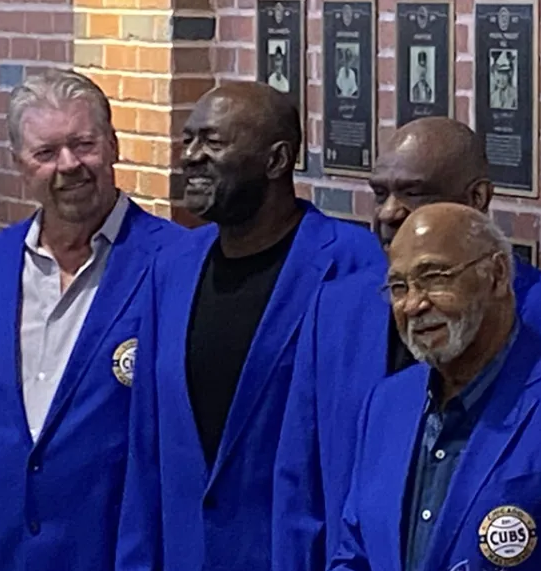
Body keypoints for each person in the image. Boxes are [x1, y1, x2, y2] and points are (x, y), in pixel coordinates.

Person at [271, 116, 541, 571]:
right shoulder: (340, 314)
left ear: (477, 198)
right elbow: (302, 487)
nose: (389, 212)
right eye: (380, 193)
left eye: (413, 193)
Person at [115, 82, 386, 571]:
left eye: (213, 143)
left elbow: (364, 449)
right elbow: (146, 444)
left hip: (295, 555)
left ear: (277, 161)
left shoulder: (354, 267)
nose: (192, 157)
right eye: (188, 141)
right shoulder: (171, 267)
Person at [328, 203, 541, 570]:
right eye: (398, 287)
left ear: (498, 275)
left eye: (435, 277)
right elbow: (354, 555)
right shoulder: (386, 403)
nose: (413, 304)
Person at [0, 69, 185, 570]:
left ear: (114, 145)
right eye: (46, 153)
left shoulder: (180, 265)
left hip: (118, 554)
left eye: (83, 144)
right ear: (19, 164)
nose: (69, 165)